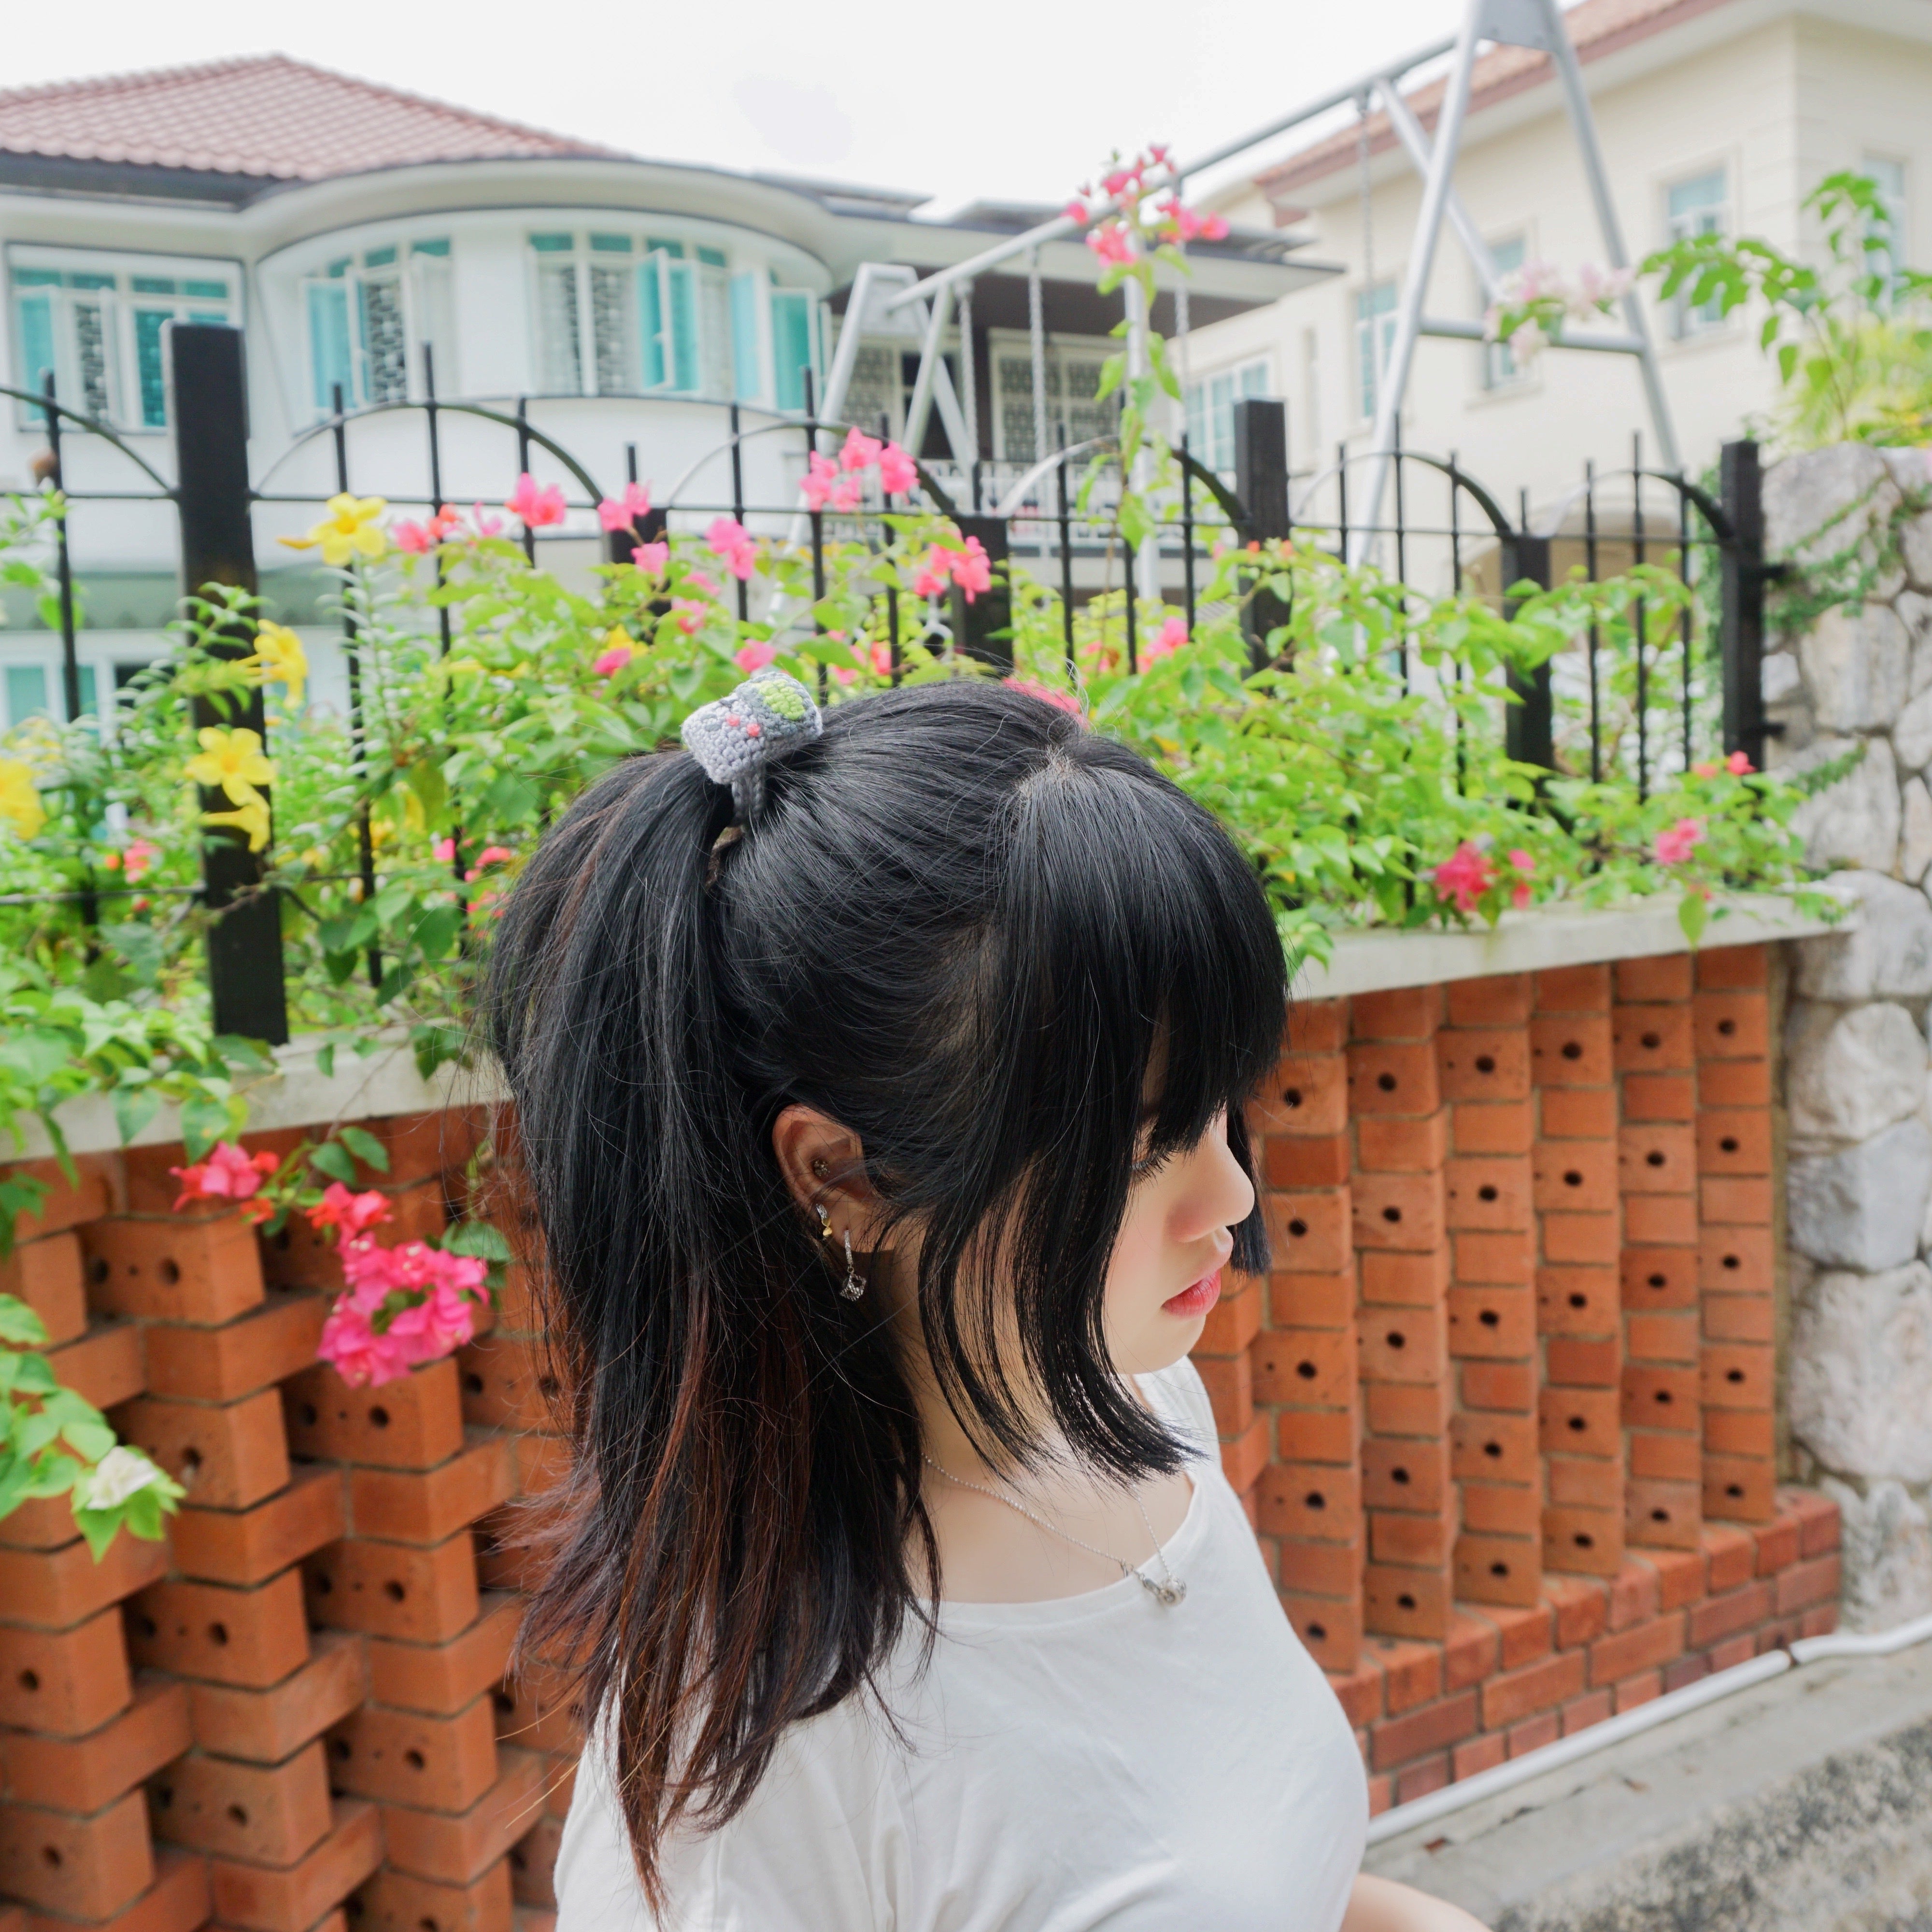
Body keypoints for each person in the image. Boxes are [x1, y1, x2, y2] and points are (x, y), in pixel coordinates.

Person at [487, 671, 1488, 1932]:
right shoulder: (768, 1761)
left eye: (1224, 1108)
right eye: (1139, 1149)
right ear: (839, 1174)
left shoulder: (1147, 1414)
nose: (1229, 1198)